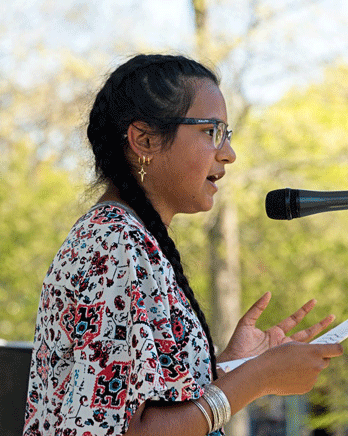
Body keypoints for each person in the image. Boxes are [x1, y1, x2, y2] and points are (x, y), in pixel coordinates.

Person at [23, 54, 343, 436]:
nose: (228, 153)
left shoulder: (132, 239)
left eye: (227, 134)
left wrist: (232, 367)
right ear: (144, 140)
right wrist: (256, 378)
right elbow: (129, 432)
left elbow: (142, 408)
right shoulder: (115, 245)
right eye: (211, 131)